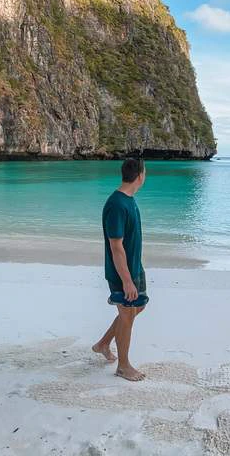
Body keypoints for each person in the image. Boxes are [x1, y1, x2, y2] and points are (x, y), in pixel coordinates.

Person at [92, 157, 149, 381]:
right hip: (121, 272)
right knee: (127, 315)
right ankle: (123, 366)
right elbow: (116, 247)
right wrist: (126, 280)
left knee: (137, 309)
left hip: (134, 267)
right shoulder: (117, 204)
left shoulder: (129, 199)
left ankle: (103, 344)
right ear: (140, 175)